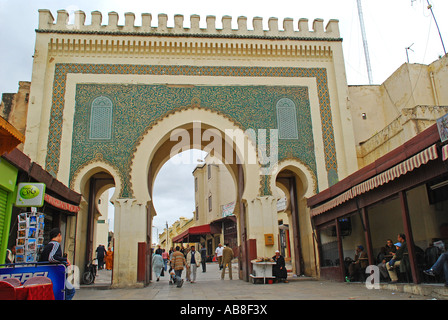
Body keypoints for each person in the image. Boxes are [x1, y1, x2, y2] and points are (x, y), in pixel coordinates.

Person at [38, 228, 75, 300]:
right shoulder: (55, 244)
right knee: (70, 291)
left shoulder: (47, 246)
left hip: (47, 274)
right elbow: (52, 258)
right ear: (59, 235)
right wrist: (65, 260)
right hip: (55, 274)